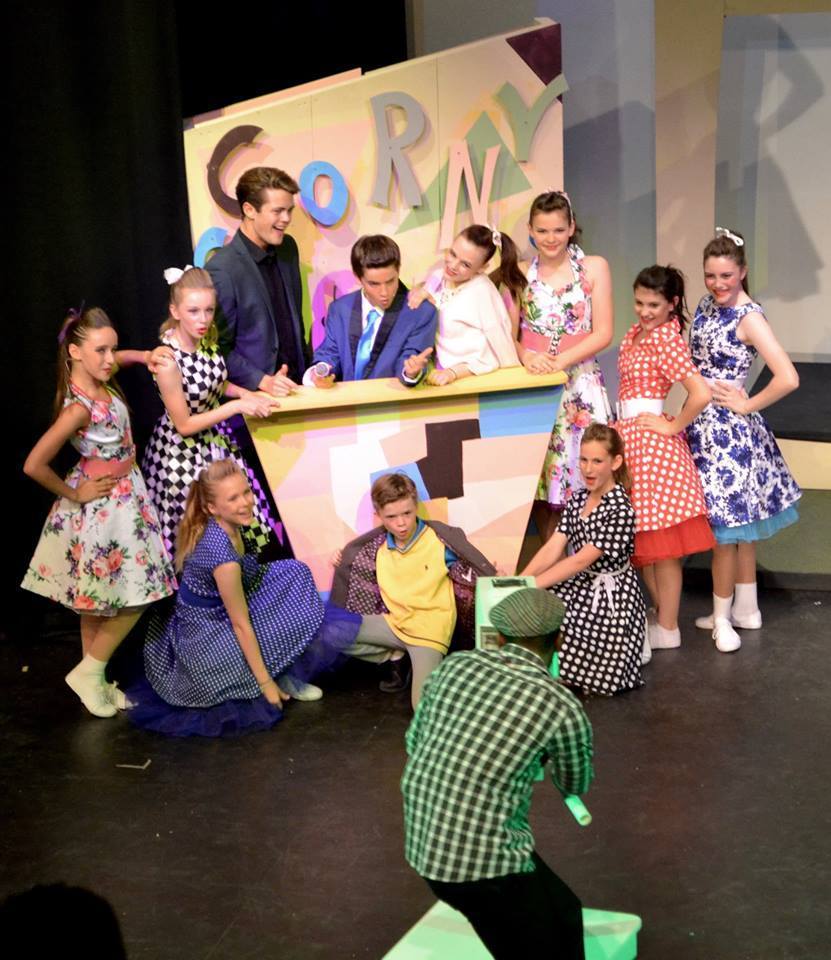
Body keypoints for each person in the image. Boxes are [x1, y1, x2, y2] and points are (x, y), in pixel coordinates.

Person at [401, 587, 593, 960]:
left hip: (425, 842)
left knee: (565, 910)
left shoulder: (454, 666)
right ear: (559, 640)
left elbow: (415, 741)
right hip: (482, 865)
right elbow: (575, 782)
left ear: (500, 637)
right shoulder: (561, 705)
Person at [21, 307, 175, 718]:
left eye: (112, 349)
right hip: (105, 506)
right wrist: (75, 491)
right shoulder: (79, 406)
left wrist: (142, 355)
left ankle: (96, 681)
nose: (110, 359)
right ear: (75, 352)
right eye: (100, 351)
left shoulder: (97, 376)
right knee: (139, 593)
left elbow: (118, 358)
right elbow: (34, 464)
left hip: (126, 495)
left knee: (97, 601)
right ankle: (89, 673)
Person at [132, 460, 359, 737]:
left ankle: (280, 664)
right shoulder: (223, 557)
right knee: (264, 628)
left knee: (295, 572)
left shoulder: (230, 525)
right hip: (205, 637)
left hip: (226, 607)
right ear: (212, 507)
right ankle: (275, 674)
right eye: (233, 498)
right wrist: (265, 684)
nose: (246, 502)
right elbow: (240, 624)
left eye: (246, 492)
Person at [687, 228, 800, 651]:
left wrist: (747, 404)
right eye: (710, 275)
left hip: (729, 435)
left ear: (743, 272)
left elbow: (788, 377)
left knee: (727, 530)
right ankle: (747, 609)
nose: (717, 284)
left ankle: (722, 619)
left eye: (727, 276)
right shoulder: (707, 304)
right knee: (742, 530)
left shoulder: (749, 317)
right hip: (703, 424)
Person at [141, 266, 280, 558]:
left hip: (215, 442)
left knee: (242, 522)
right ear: (175, 311)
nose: (203, 319)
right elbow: (184, 425)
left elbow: (214, 381)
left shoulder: (205, 341)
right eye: (193, 311)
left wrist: (245, 393)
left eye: (209, 310)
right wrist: (236, 406)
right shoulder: (168, 361)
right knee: (198, 538)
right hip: (182, 455)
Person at [330, 472, 495, 708]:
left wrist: (487, 573)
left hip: (428, 631)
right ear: (378, 515)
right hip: (394, 623)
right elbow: (355, 565)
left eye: (407, 513)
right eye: (391, 516)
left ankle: (412, 660)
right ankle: (394, 657)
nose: (401, 523)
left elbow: (469, 567)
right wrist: (342, 558)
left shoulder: (438, 540)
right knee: (330, 630)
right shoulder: (373, 547)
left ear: (415, 506)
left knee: (422, 707)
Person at [615, 266, 715, 653]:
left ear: (672, 304)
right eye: (639, 302)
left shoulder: (666, 340)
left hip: (652, 448)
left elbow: (700, 393)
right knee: (644, 543)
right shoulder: (636, 334)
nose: (644, 311)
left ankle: (669, 626)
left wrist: (672, 426)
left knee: (662, 546)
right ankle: (661, 617)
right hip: (629, 440)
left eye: (653, 305)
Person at [517, 191, 614, 541]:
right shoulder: (519, 273)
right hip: (537, 387)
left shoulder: (594, 267)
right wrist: (527, 356)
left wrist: (561, 361)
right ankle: (553, 566)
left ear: (571, 227)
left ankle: (591, 563)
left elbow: (603, 332)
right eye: (542, 231)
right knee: (546, 484)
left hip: (581, 385)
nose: (551, 238)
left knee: (589, 473)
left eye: (558, 230)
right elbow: (507, 335)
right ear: (531, 230)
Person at [522, 423, 646, 694]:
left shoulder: (620, 509)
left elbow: (579, 560)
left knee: (596, 675)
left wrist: (531, 585)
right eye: (584, 460)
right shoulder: (578, 499)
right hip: (580, 584)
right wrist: (521, 580)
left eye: (597, 461)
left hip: (610, 598)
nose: (588, 469)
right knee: (539, 611)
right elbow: (555, 545)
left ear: (615, 462)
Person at [206, 166, 308, 394]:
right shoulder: (222, 269)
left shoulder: (288, 248)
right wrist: (261, 380)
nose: (286, 219)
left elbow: (294, 322)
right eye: (278, 211)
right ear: (249, 210)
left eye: (289, 210)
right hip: (254, 399)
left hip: (298, 388)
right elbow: (216, 348)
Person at [305, 235, 437, 387]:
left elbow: (410, 359)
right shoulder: (340, 309)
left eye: (390, 281)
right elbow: (329, 354)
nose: (384, 292)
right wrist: (320, 372)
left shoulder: (421, 313)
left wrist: (410, 372)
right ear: (358, 277)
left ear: (398, 270)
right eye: (374, 284)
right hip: (346, 400)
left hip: (393, 399)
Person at [407, 224, 521, 386]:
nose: (453, 265)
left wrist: (454, 373)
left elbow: (495, 349)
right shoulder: (443, 278)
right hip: (441, 373)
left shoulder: (482, 291)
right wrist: (423, 292)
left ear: (482, 268)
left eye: (465, 264)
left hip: (472, 381)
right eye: (453, 254)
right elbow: (436, 278)